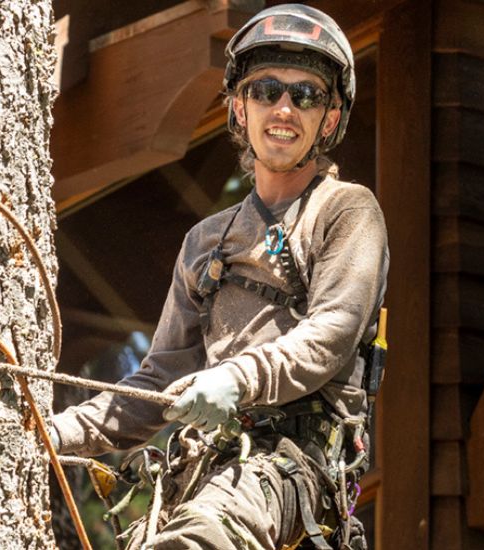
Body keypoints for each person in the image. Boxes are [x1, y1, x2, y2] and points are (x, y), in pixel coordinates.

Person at [48, 5, 388, 549]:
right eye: (266, 90)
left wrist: (235, 379)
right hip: (205, 471)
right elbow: (156, 383)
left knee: (197, 541)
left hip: (292, 470)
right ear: (238, 107)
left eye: (306, 95)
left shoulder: (347, 212)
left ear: (329, 119)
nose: (284, 108)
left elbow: (332, 334)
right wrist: (54, 432)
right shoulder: (205, 242)